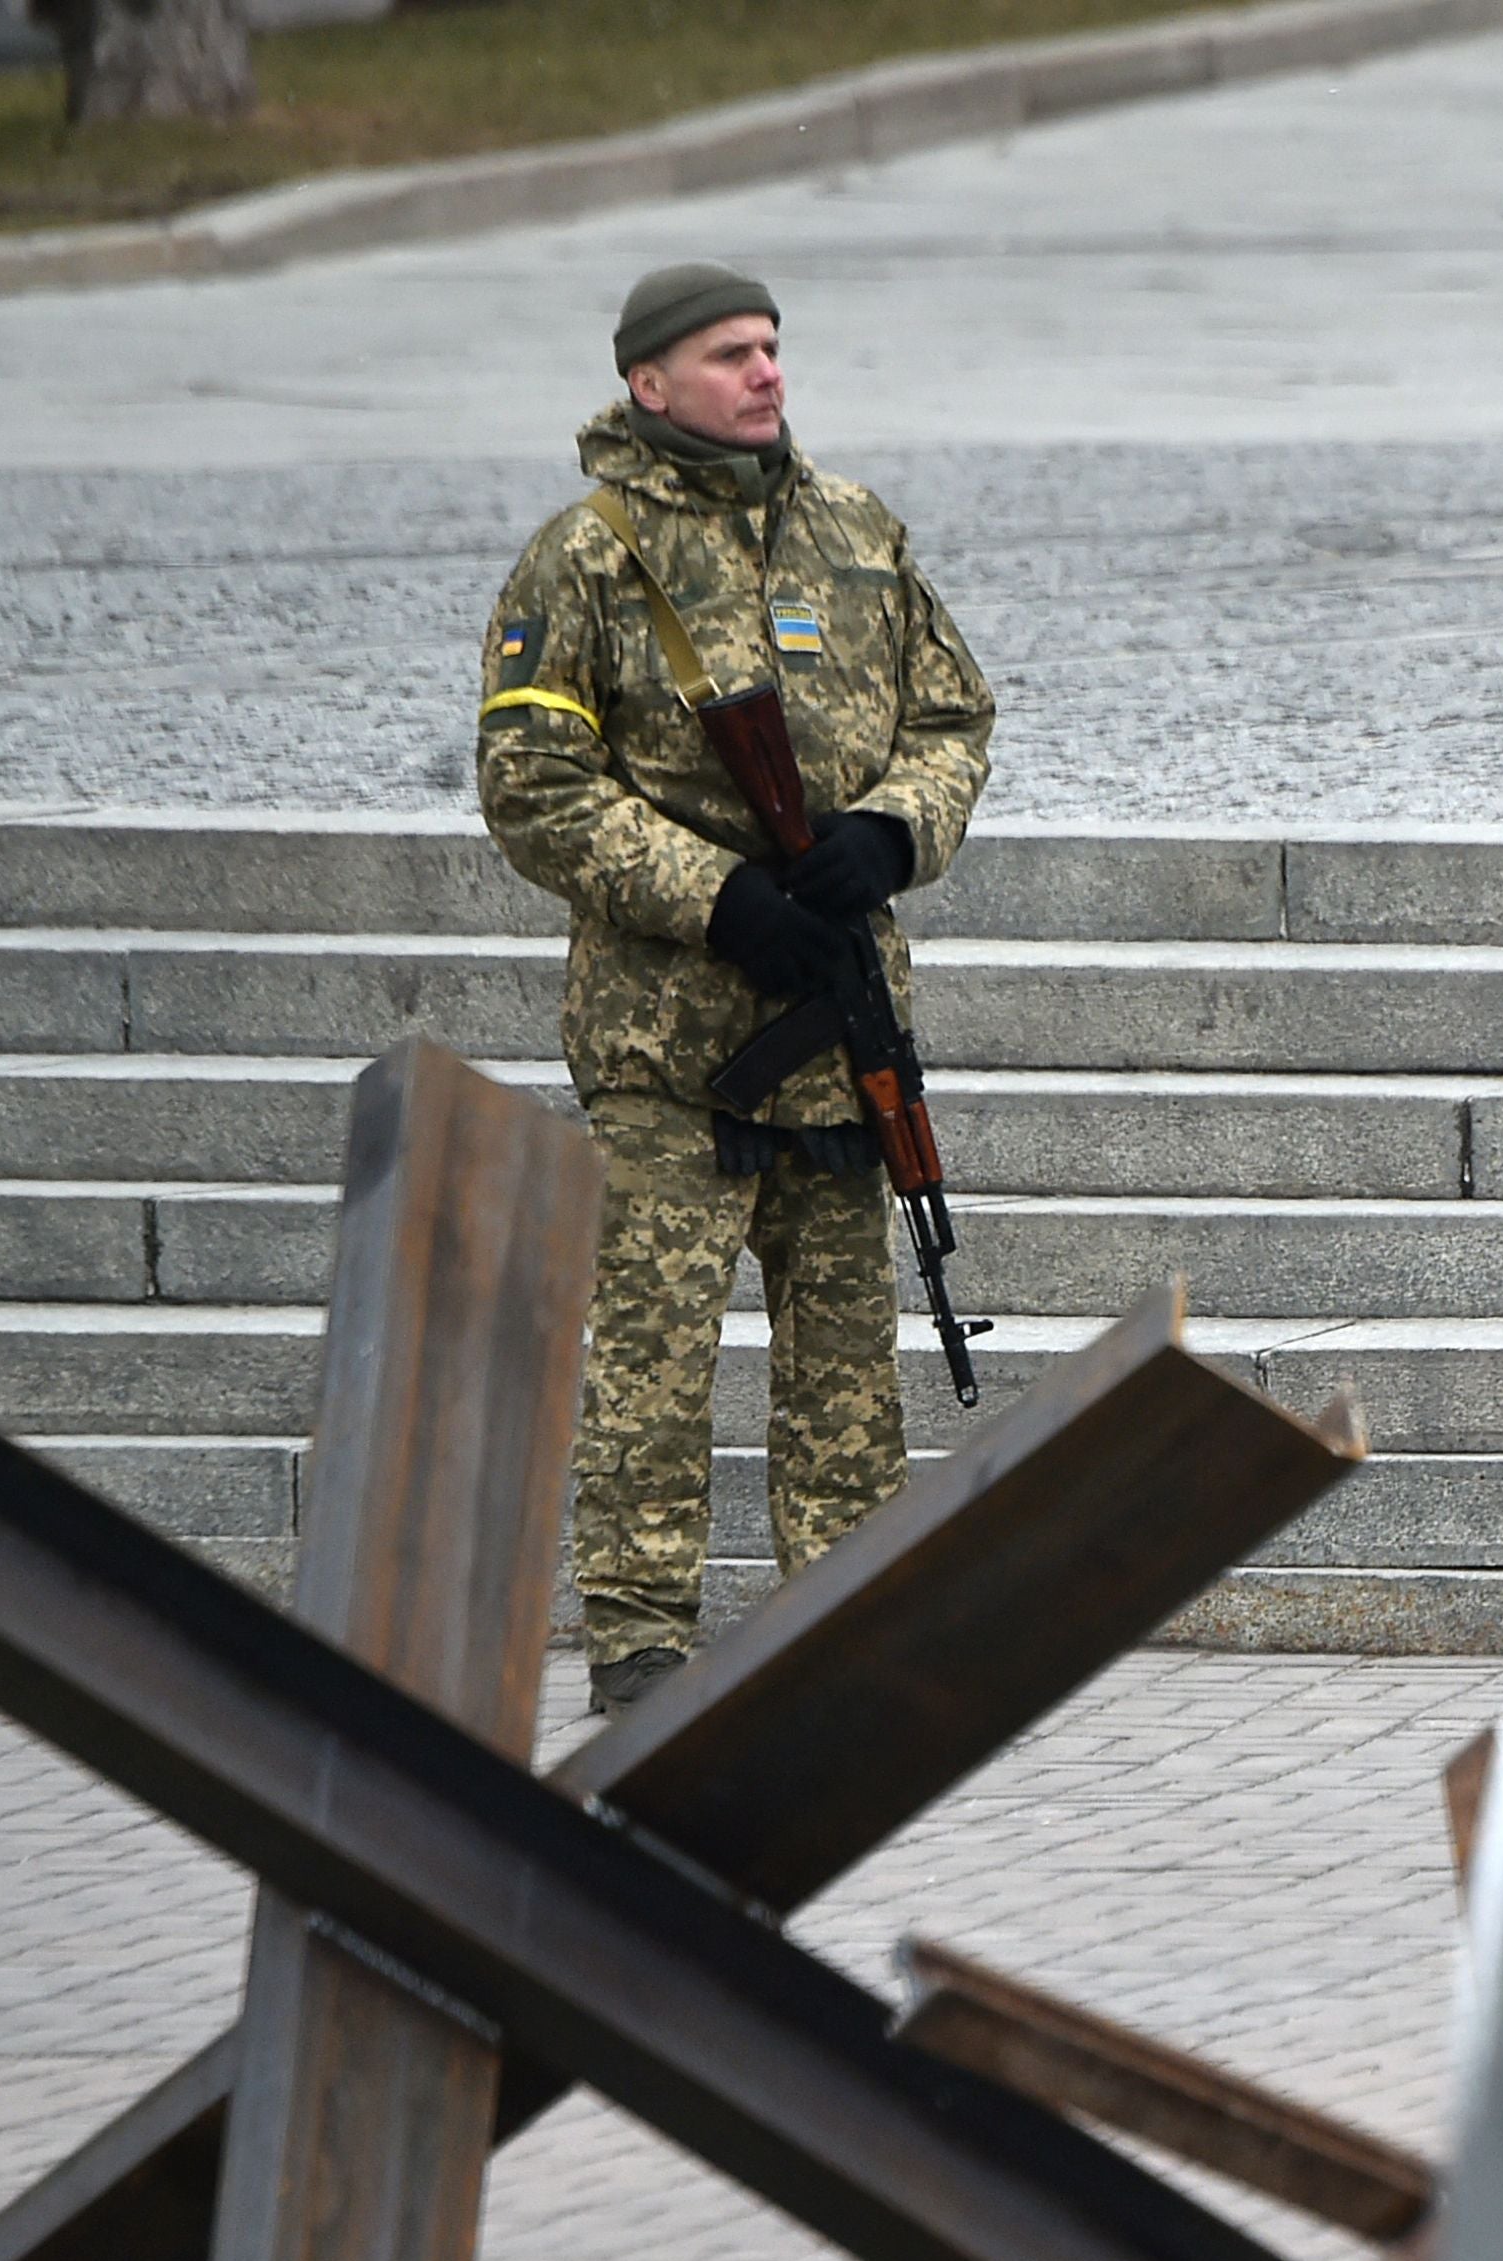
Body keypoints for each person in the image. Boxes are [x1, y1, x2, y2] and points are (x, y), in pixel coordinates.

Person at [477, 262, 995, 1715]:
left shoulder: (855, 535)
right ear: (649, 384)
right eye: (729, 355)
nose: (766, 374)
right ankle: (641, 1642)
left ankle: (850, 1618)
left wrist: (892, 828)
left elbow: (956, 714)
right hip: (671, 1043)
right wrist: (715, 898)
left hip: (834, 1024)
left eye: (773, 350)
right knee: (654, 1352)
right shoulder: (583, 560)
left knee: (843, 1362)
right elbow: (532, 786)